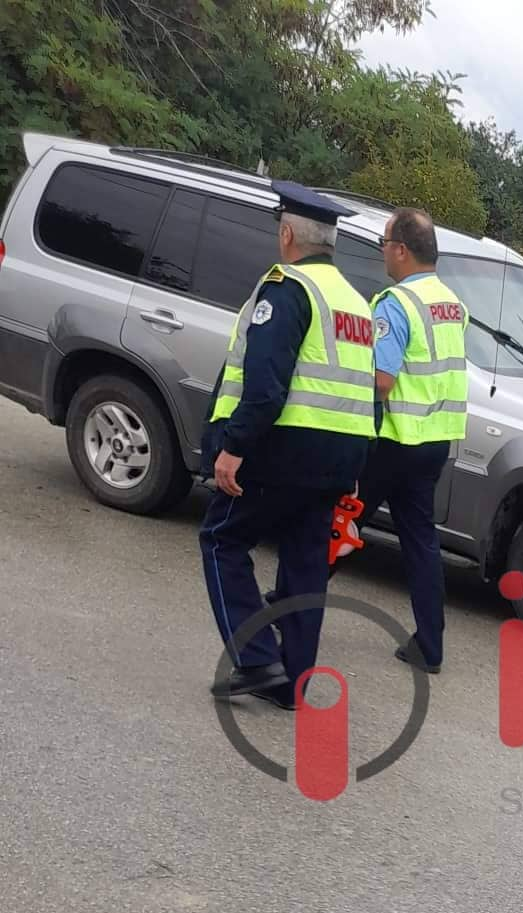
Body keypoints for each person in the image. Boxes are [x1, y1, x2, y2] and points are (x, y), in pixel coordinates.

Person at [201, 184, 376, 708]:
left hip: (285, 449)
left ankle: (257, 659)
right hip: (341, 454)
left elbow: (265, 383)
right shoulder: (355, 301)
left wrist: (233, 446)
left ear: (286, 233)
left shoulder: (287, 288)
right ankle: (294, 682)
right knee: (303, 564)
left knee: (221, 540)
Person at [358, 207, 469, 675]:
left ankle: (291, 607)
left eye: (384, 244)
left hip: (391, 438)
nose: (383, 252)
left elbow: (382, 380)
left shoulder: (395, 305)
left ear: (401, 250)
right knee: (421, 543)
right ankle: (430, 645)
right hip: (434, 442)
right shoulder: (452, 305)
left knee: (339, 523)